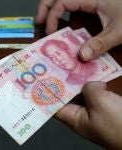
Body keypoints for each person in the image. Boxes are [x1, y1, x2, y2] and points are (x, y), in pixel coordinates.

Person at [36, 0, 122, 149]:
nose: (57, 59)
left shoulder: (94, 67)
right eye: (53, 58)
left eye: (57, 53)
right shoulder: (68, 80)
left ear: (67, 49)